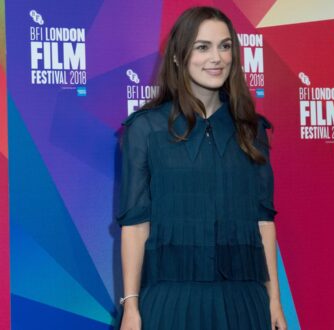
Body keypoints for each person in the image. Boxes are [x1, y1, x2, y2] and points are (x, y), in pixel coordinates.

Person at [116, 6, 287, 330]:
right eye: (203, 47)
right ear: (179, 57)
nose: (217, 58)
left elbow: (263, 221)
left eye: (225, 46)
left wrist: (274, 301)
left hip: (244, 303)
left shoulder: (251, 130)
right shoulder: (146, 130)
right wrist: (131, 307)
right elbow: (136, 226)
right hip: (170, 303)